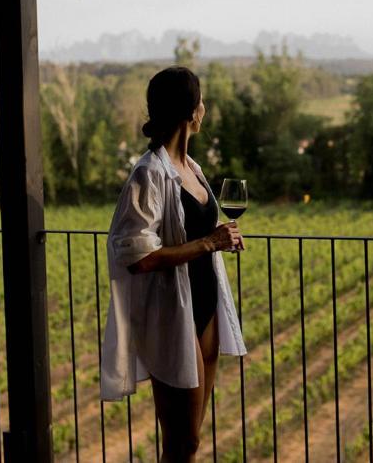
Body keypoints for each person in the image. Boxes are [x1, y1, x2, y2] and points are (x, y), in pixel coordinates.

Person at [100, 66, 247, 462]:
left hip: (206, 307)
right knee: (182, 443)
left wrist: (221, 236)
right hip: (171, 316)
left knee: (191, 438)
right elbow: (137, 257)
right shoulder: (148, 174)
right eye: (201, 101)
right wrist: (209, 242)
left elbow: (189, 229)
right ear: (192, 111)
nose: (205, 108)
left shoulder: (191, 168)